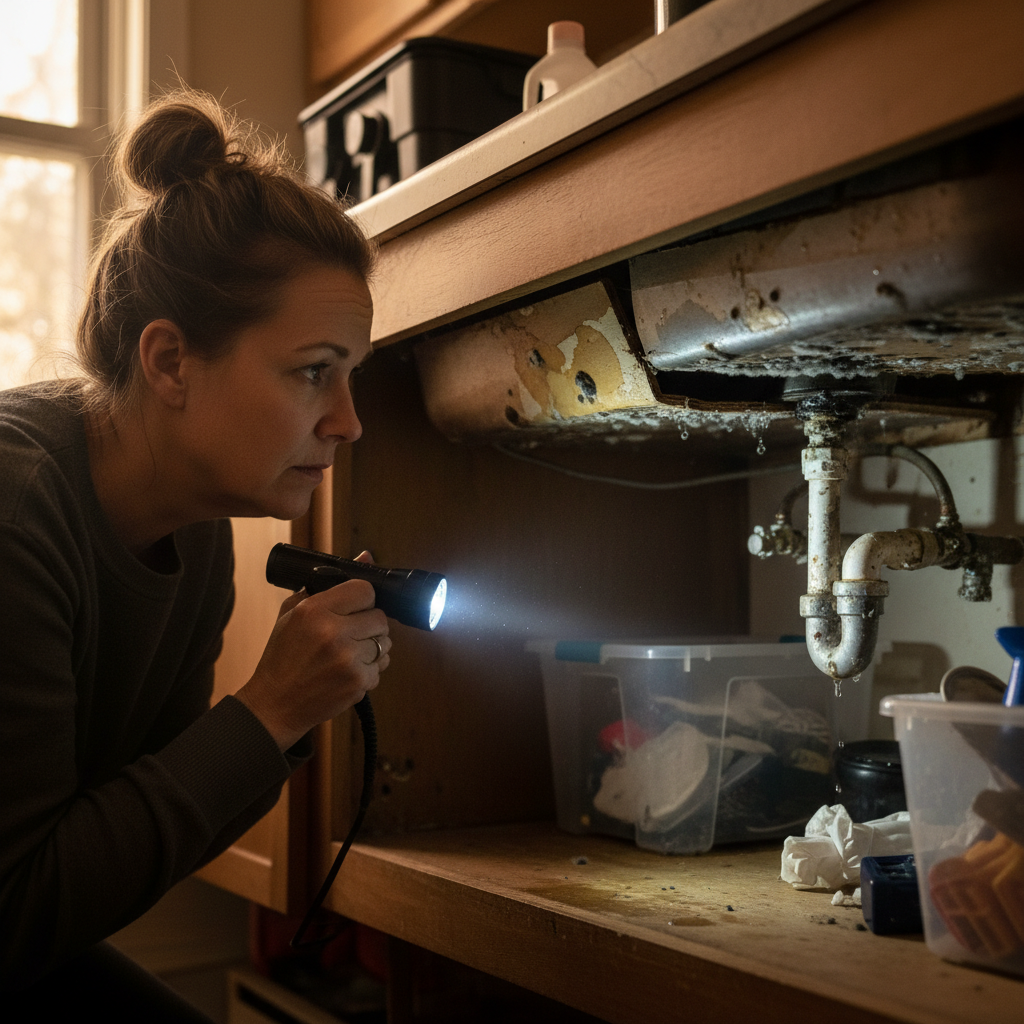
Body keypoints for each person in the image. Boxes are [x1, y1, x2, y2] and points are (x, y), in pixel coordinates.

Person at [0, 89, 391, 1019]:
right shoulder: (16, 519)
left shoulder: (196, 533)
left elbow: (139, 822)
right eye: (313, 372)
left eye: (351, 378)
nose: (348, 422)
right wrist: (271, 709)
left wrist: (286, 717)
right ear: (170, 362)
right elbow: (14, 913)